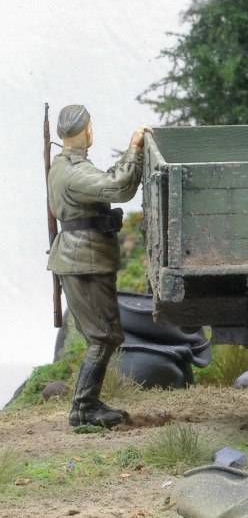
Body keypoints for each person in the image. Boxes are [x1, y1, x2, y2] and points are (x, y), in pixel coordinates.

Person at [46, 105, 150, 428]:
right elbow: (118, 187)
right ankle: (83, 409)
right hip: (84, 262)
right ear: (86, 130)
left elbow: (104, 181)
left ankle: (87, 404)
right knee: (103, 336)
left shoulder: (67, 166)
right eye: (91, 126)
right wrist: (134, 150)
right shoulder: (73, 172)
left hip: (84, 259)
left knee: (105, 335)